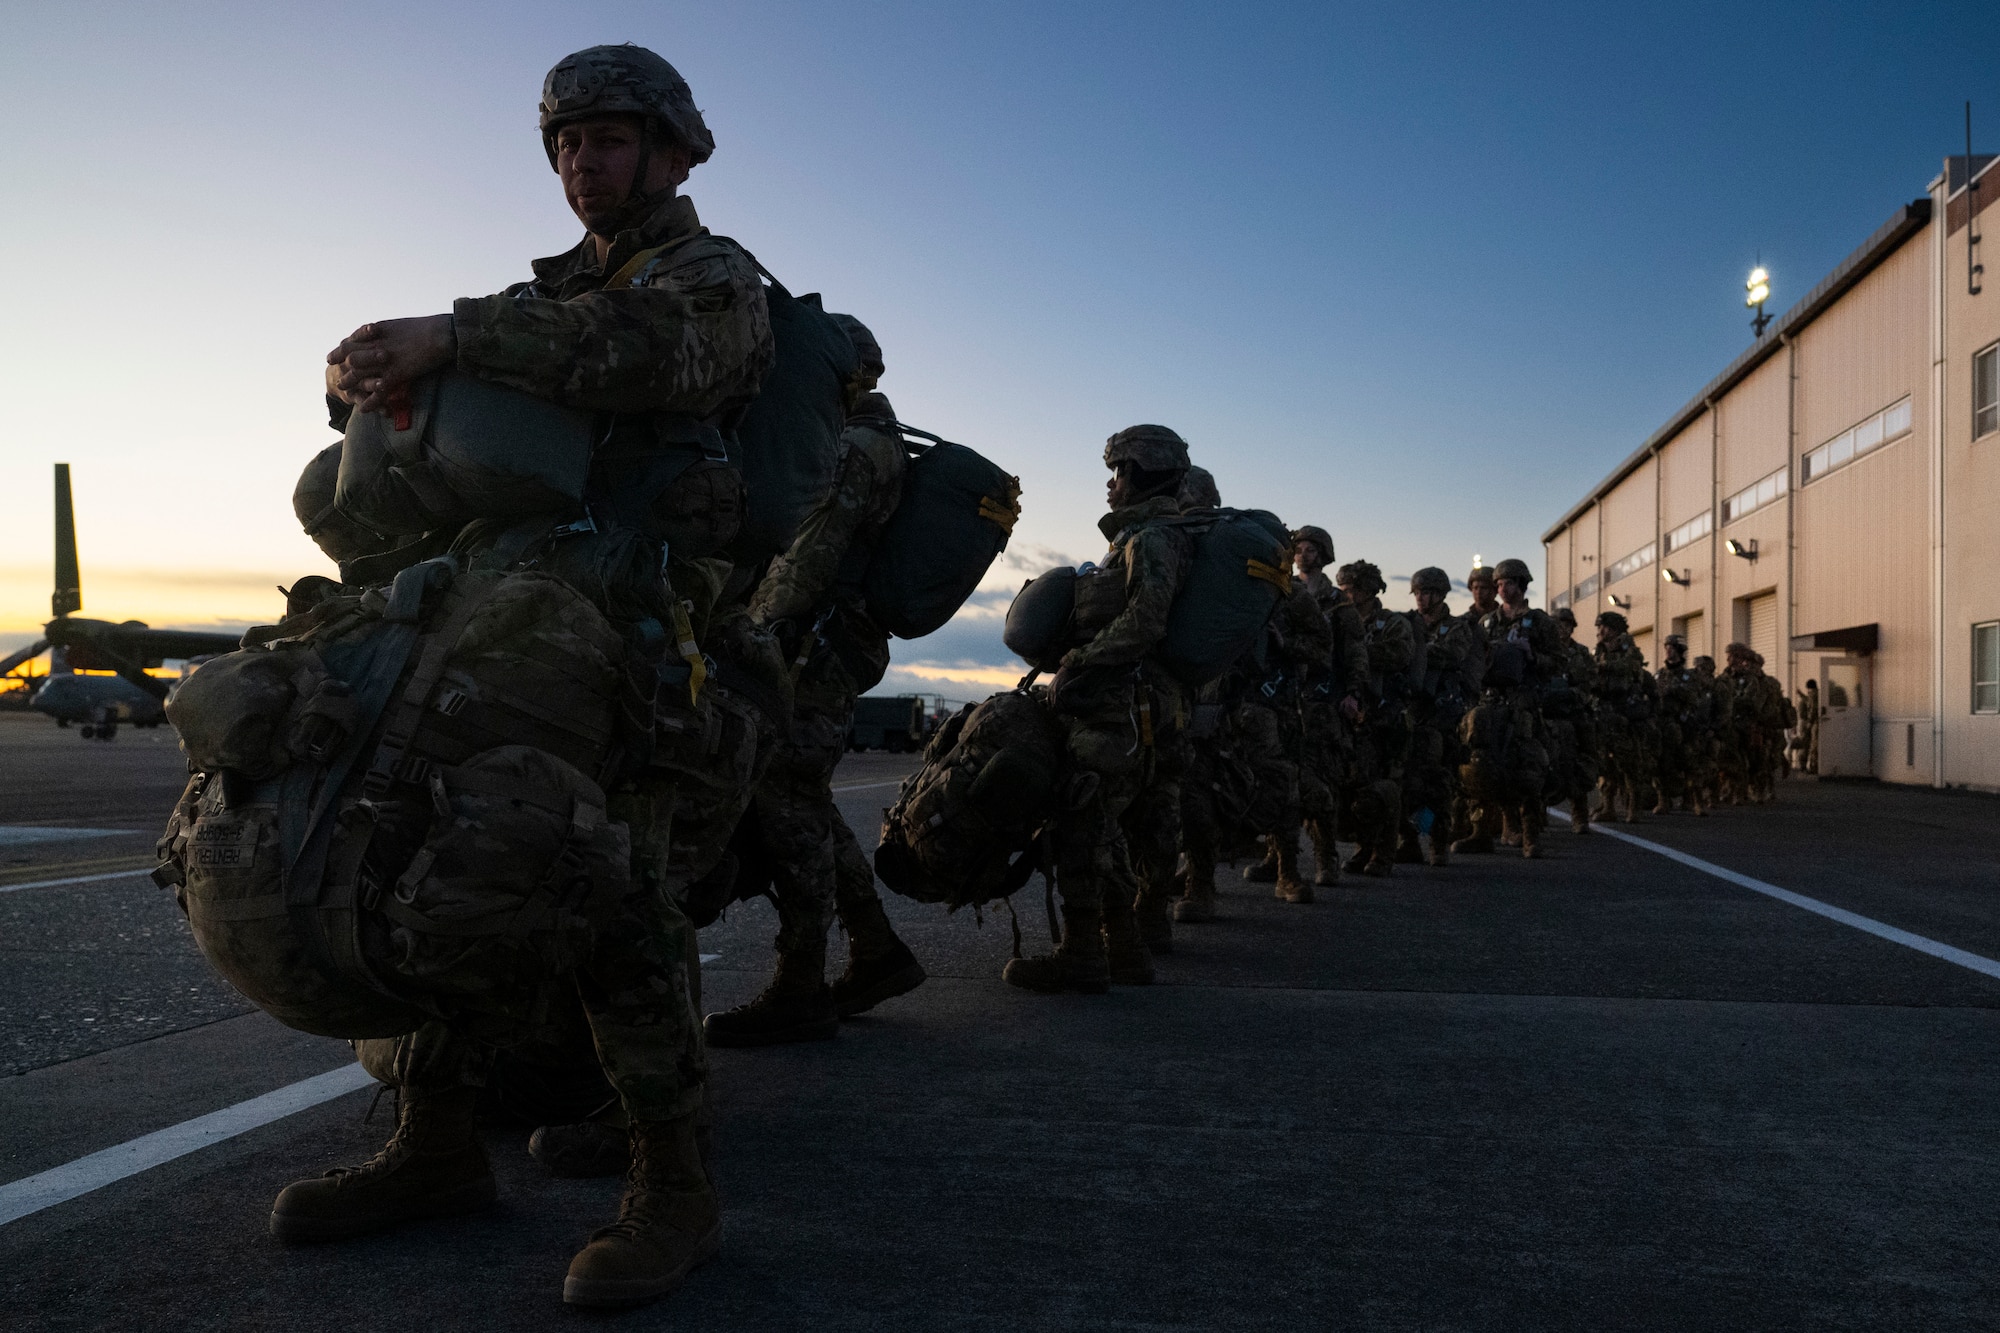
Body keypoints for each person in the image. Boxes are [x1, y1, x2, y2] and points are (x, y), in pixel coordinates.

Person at [301, 45, 774, 1309]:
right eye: (565, 144)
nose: (581, 162)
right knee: (442, 855)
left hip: (636, 637)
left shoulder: (711, 276)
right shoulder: (535, 304)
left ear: (674, 151)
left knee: (612, 891)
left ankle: (673, 1190)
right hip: (497, 618)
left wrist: (452, 335)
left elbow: (654, 359)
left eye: (609, 139)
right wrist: (370, 379)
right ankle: (437, 1146)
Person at [703, 316, 926, 1047]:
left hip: (812, 646)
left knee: (787, 800)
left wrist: (750, 629)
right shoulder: (867, 440)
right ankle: (876, 948)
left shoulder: (857, 447)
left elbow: (811, 553)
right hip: (821, 641)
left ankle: (802, 982)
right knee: (801, 799)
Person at [1005, 426, 1193, 992]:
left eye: (1117, 472)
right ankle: (1125, 948)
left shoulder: (1152, 540)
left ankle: (1085, 952)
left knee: (1080, 817)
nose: (1111, 484)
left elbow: (1145, 621)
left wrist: (1078, 663)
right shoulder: (1140, 536)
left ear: (1137, 472)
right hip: (1122, 705)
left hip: (1120, 708)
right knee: (1100, 821)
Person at [1459, 558, 1559, 854]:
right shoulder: (1486, 622)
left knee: (1526, 766)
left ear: (1522, 585)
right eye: (1498, 584)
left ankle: (1530, 834)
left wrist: (1532, 655)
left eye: (1508, 583)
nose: (1502, 589)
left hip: (1523, 701)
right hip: (1488, 701)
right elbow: (1473, 661)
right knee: (1478, 763)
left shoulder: (1539, 621)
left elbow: (1557, 663)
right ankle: (1482, 831)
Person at [1334, 560, 1415, 876]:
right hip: (1348, 715)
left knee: (1382, 785)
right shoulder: (1339, 621)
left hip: (1383, 717)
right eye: (1343, 590)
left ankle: (1383, 853)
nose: (1347, 595)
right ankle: (1362, 847)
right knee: (1351, 786)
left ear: (1369, 591)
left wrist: (1355, 652)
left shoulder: (1392, 624)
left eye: (1351, 590)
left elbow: (1400, 654)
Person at [1402, 568, 1479, 865]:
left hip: (1442, 713)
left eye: (1427, 593)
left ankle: (1437, 841)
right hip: (1412, 709)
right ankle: (1409, 840)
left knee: (1438, 780)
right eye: (1418, 593)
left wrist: (1417, 650)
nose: (1421, 599)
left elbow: (1452, 655)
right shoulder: (1407, 624)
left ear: (1441, 595)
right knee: (1406, 778)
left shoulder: (1458, 627)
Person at [1591, 611, 1656, 823]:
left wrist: (1603, 666)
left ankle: (1633, 807)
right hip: (1604, 711)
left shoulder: (1628, 648)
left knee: (1629, 762)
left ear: (1614, 629)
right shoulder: (1600, 650)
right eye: (1599, 627)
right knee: (1604, 762)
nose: (1600, 631)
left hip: (1624, 712)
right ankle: (1608, 805)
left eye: (1604, 627)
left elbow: (1631, 666)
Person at [1549, 608, 1599, 832]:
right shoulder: (1545, 651)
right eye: (1558, 625)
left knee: (1579, 760)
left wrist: (1576, 696)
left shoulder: (1581, 653)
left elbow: (1590, 681)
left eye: (1566, 625)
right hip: (1548, 710)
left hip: (1574, 710)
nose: (1562, 629)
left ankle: (1580, 814)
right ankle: (1536, 816)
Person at [1796, 679, 1821, 775]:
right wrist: (1801, 694)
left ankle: (1812, 767)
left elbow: (1812, 708)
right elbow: (1808, 701)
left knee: (1812, 745)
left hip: (1813, 723)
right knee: (1812, 744)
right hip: (1814, 723)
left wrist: (1809, 722)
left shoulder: (1814, 695)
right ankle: (1811, 766)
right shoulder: (1816, 694)